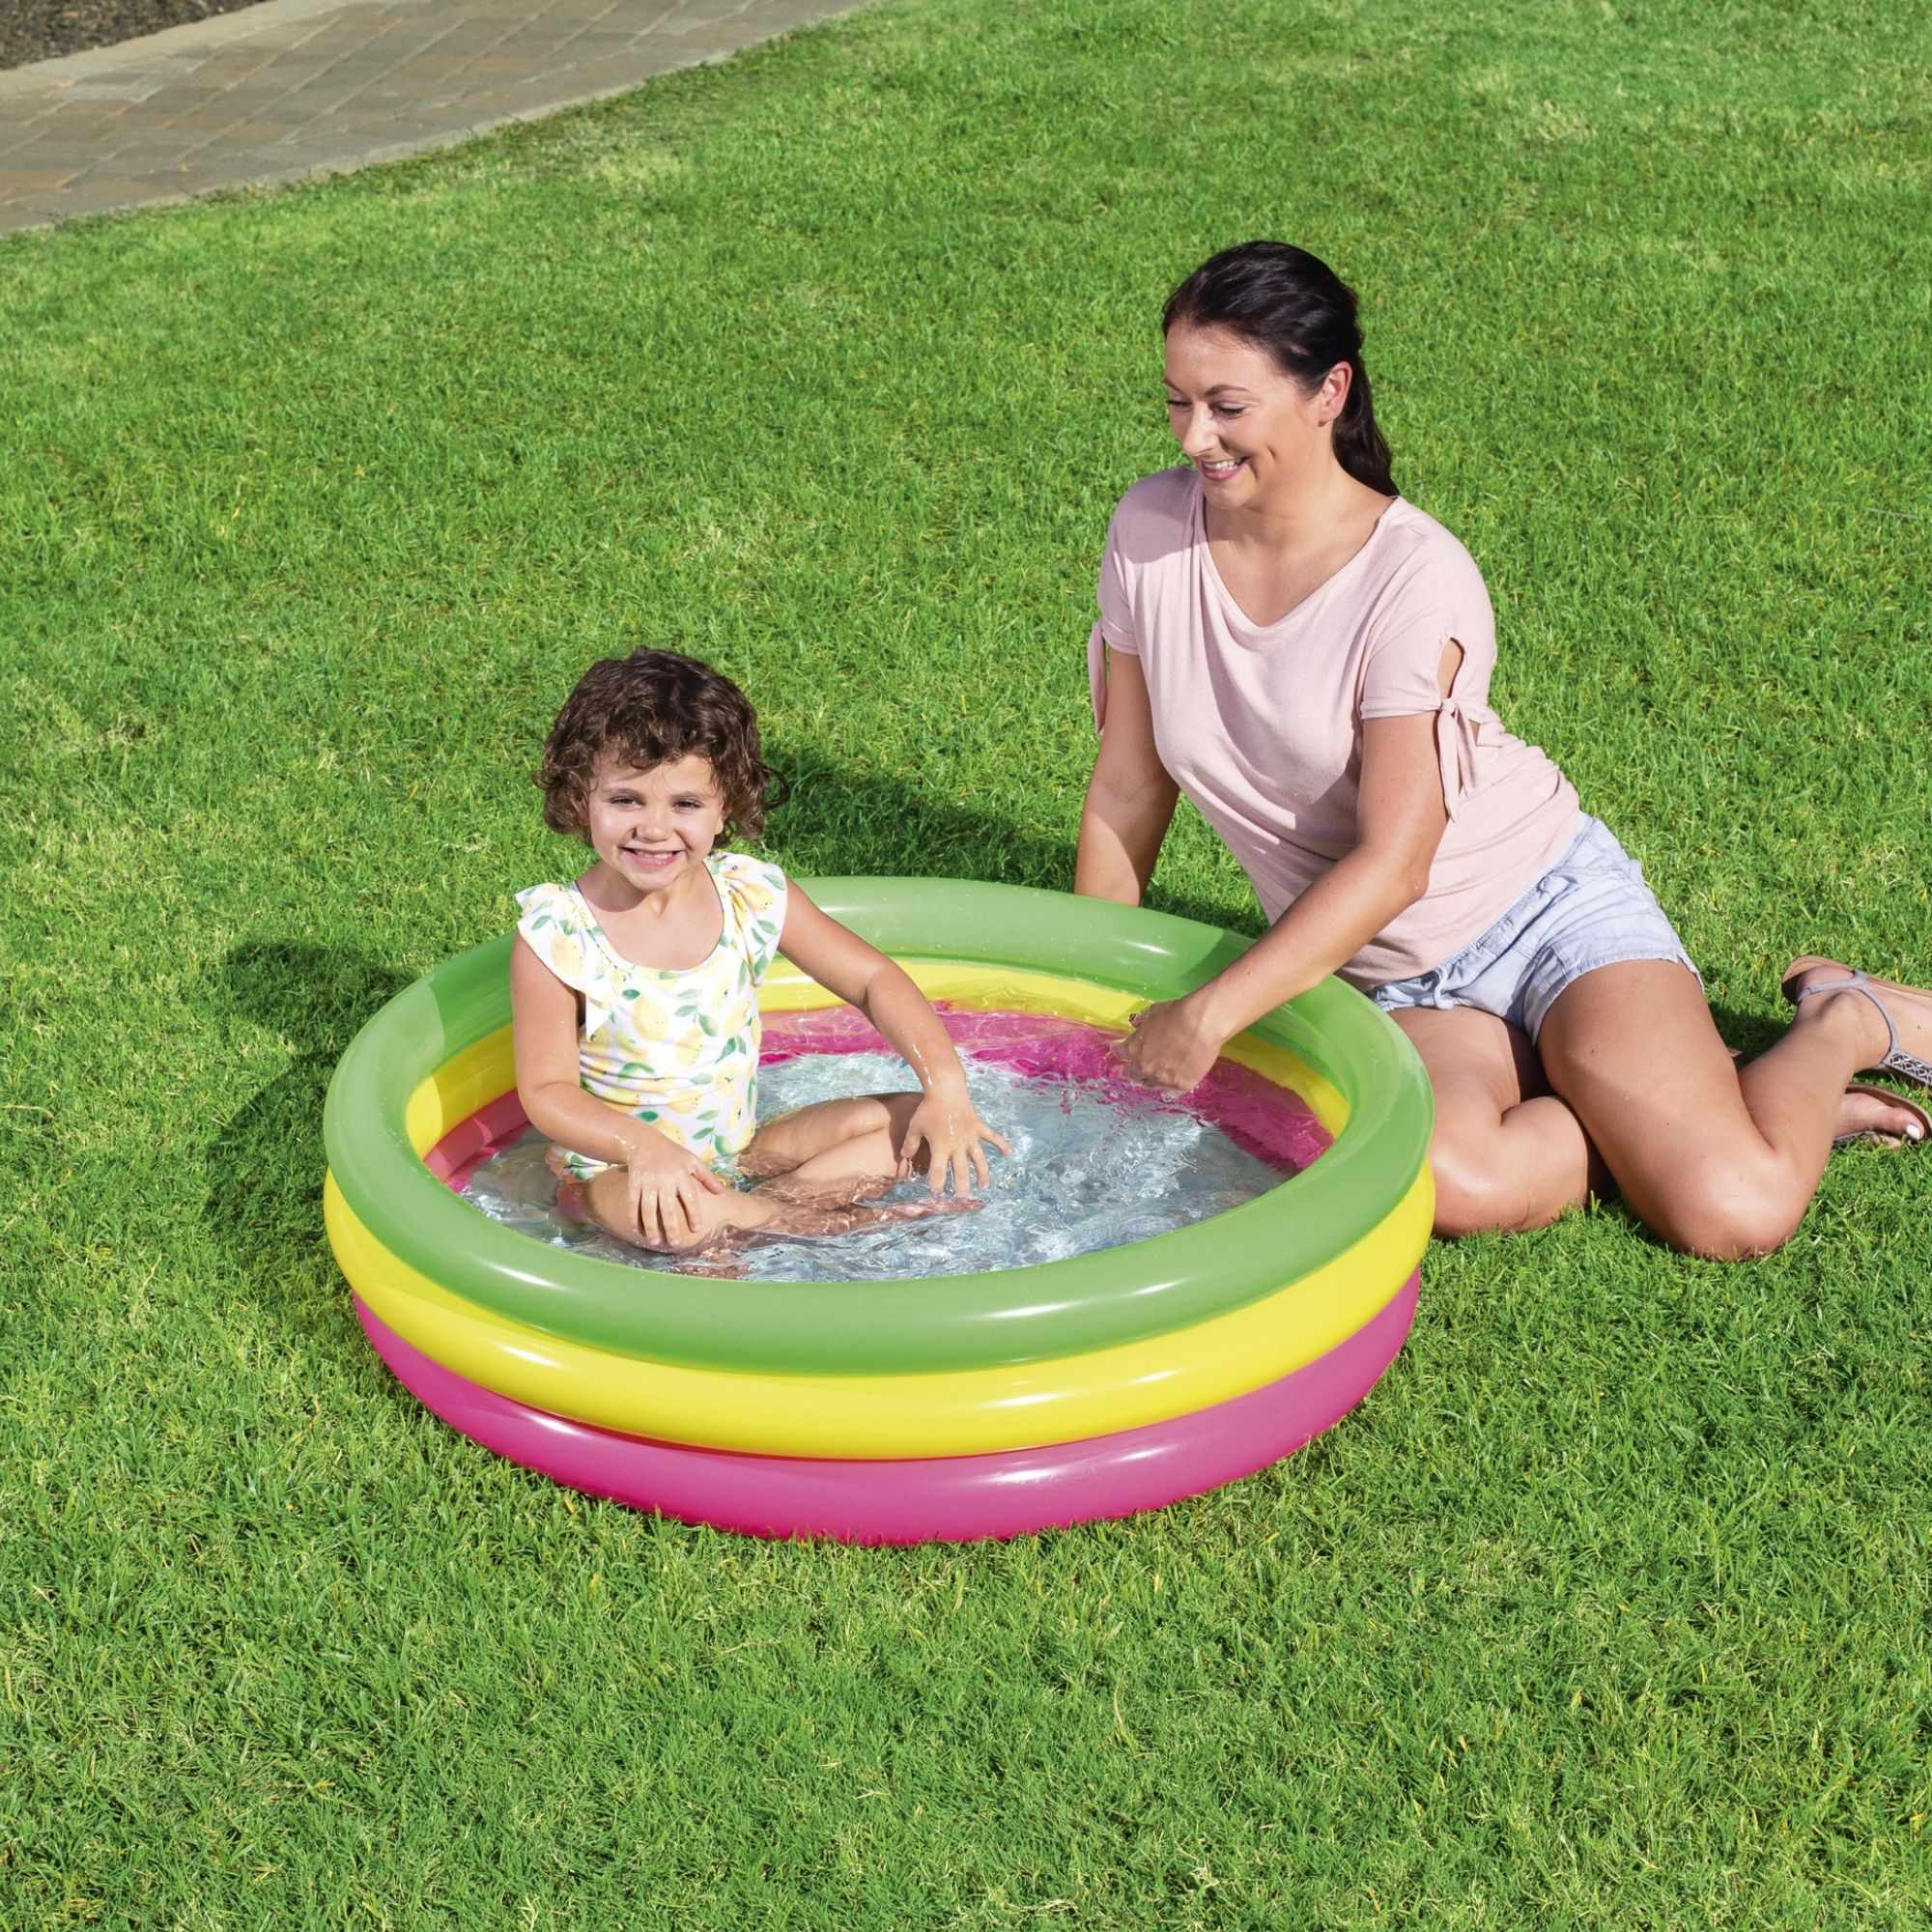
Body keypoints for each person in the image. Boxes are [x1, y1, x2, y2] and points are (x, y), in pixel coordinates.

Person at [1076, 240, 1932, 1261]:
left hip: (1539, 913)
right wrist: (1081, 1003)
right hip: (1387, 975)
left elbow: (1394, 861)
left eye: (1226, 405)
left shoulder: (1411, 578)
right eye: (1175, 402)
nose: (1195, 439)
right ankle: (1679, 1110)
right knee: (1446, 1180)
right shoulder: (1148, 532)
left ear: (1325, 391)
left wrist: (1208, 1013)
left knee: (1728, 1211)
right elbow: (1128, 789)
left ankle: (1838, 1024)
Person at [513, 648, 1009, 1255]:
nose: (653, 827)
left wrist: (947, 1088)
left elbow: (873, 979)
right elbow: (547, 1091)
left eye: (686, 805)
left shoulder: (748, 895)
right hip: (615, 1175)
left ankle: (756, 1212)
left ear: (727, 806)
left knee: (921, 1127)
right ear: (579, 797)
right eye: (626, 800)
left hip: (739, 1155)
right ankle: (806, 1223)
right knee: (681, 1220)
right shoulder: (560, 933)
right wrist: (645, 1150)